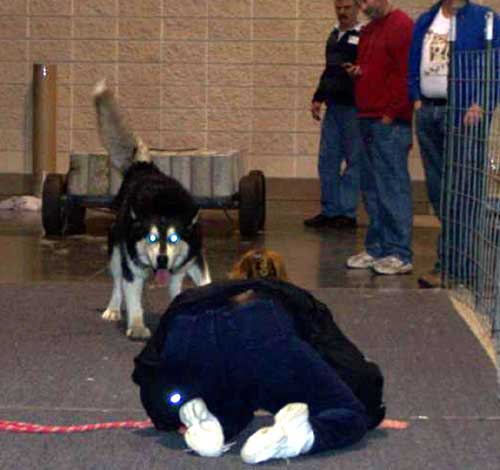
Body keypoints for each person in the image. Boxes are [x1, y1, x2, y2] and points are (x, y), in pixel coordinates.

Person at [132, 250, 387, 463]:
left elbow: (149, 366)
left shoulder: (197, 297)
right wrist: (366, 400)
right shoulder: (290, 297)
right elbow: (342, 359)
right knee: (350, 415)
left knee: (241, 397)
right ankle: (298, 436)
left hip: (192, 334)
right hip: (264, 332)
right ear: (284, 278)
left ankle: (204, 414)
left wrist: (166, 413)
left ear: (235, 275)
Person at [408, 0, 500, 287]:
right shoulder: (426, 19)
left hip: (465, 116)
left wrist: (482, 104)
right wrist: (416, 98)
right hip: (429, 111)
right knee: (439, 192)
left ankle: (454, 267)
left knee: (463, 191)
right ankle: (456, 261)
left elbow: (496, 66)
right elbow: (413, 61)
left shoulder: (486, 19)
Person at [344, 0, 414, 275]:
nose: (362, 4)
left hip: (389, 121)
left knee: (393, 187)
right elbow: (376, 68)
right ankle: (377, 247)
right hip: (367, 116)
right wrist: (359, 73)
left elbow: (405, 75)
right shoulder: (369, 30)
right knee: (372, 188)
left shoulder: (402, 26)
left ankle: (399, 252)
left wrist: (390, 114)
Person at [304, 0, 363, 229]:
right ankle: (330, 210)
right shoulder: (333, 36)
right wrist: (318, 97)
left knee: (354, 160)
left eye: (347, 8)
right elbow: (328, 70)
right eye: (338, 8)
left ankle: (347, 213)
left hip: (354, 108)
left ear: (357, 8)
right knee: (327, 160)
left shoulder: (363, 36)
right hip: (333, 106)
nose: (342, 12)